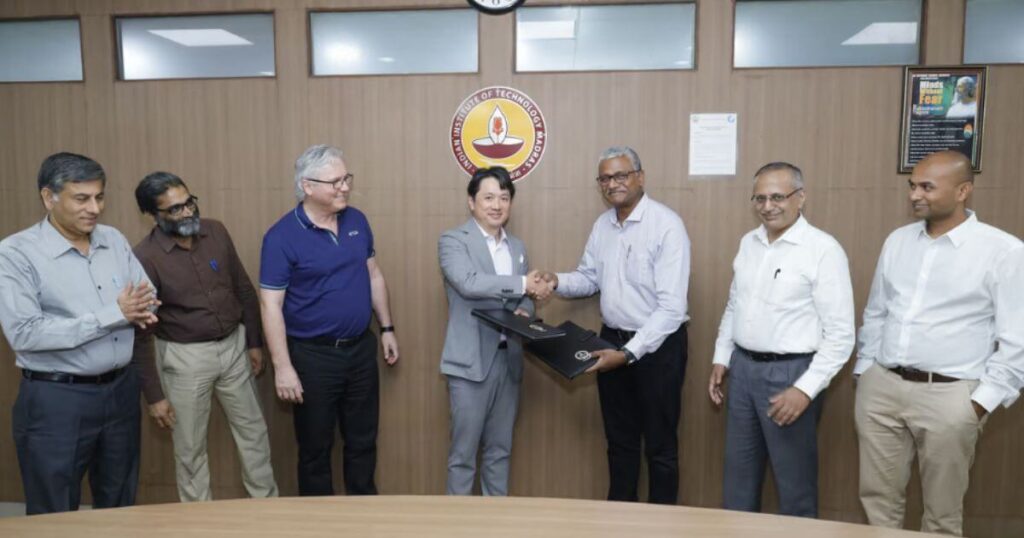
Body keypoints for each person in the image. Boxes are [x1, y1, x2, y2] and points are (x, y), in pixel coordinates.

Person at [855, 150, 1024, 536]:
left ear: (963, 190)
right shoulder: (898, 241)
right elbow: (877, 311)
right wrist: (866, 372)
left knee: (942, 516)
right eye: (912, 185)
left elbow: (1018, 340)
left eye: (927, 187)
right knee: (877, 505)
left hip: (951, 397)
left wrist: (978, 405)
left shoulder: (1003, 251)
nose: (916, 194)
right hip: (882, 389)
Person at [0, 152, 158, 514]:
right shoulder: (15, 253)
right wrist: (113, 315)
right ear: (48, 197)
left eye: (100, 197)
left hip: (120, 391)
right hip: (57, 399)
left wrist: (142, 309)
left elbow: (145, 295)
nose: (94, 208)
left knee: (119, 503)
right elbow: (25, 333)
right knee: (53, 510)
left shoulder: (113, 239)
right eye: (81, 198)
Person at [537, 146, 690, 504]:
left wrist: (628, 354)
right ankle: (619, 523)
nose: (613, 184)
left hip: (658, 347)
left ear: (640, 177)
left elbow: (671, 309)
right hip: (611, 344)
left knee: (660, 448)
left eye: (621, 175)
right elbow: (590, 278)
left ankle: (662, 527)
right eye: (605, 178)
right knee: (619, 445)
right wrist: (556, 281)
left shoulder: (667, 226)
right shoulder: (603, 225)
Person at [708, 162, 854, 517]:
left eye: (777, 196)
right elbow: (734, 305)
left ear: (800, 197)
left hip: (791, 376)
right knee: (738, 484)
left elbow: (841, 335)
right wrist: (721, 357)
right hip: (742, 373)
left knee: (795, 489)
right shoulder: (749, 242)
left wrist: (805, 389)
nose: (767, 206)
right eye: (759, 198)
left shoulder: (823, 249)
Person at [259, 144, 400, 496]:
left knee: (363, 442)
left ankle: (363, 518)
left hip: (360, 350)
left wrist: (386, 328)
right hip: (312, 358)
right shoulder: (280, 238)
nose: (345, 187)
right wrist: (283, 367)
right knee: (315, 450)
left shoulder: (357, 220)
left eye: (346, 178)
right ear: (307, 186)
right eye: (335, 181)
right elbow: (270, 306)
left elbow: (374, 275)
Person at [132, 171, 278, 502]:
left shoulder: (216, 231)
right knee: (190, 449)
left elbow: (242, 287)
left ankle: (269, 510)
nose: (187, 213)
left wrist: (254, 342)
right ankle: (198, 524)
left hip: (234, 347)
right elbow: (141, 334)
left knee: (254, 434)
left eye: (189, 203)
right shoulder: (145, 257)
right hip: (186, 360)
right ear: (153, 216)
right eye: (174, 209)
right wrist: (154, 396)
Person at [438, 166, 548, 496]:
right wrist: (522, 283)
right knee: (463, 458)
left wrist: (524, 308)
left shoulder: (517, 247)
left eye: (504, 197)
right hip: (470, 366)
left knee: (499, 454)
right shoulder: (453, 241)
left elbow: (525, 301)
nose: (496, 205)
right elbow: (469, 283)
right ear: (472, 202)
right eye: (488, 197)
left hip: (508, 362)